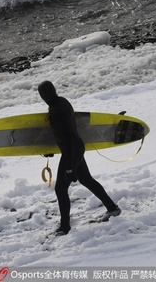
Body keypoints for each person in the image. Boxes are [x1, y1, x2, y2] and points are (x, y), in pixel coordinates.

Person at [38, 81, 121, 236]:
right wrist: (51, 149)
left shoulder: (57, 112)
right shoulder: (62, 101)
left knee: (60, 189)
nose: (43, 97)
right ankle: (112, 208)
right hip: (75, 148)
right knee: (87, 180)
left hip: (72, 151)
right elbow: (63, 134)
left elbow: (68, 138)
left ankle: (64, 227)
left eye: (42, 94)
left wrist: (69, 166)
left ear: (44, 96)